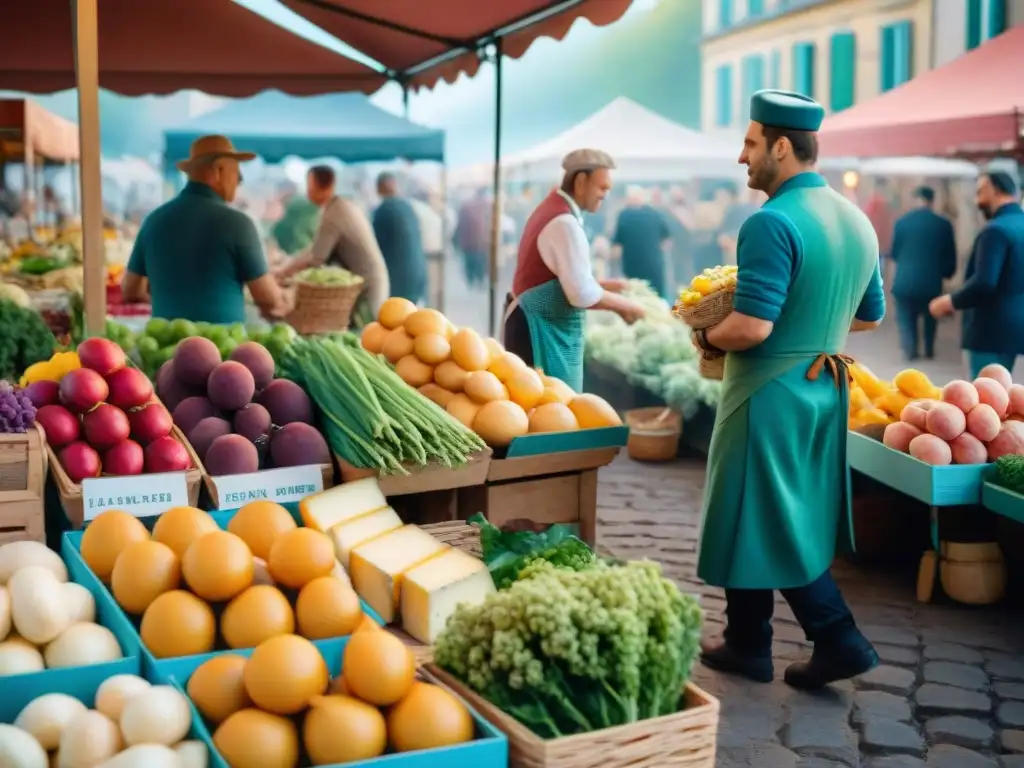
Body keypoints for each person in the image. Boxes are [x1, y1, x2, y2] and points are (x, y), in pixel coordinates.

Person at [693, 90, 885, 690]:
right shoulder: (855, 219)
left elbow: (750, 326)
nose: (741, 156)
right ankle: (748, 640)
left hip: (767, 391)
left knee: (769, 514)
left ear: (781, 146)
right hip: (824, 388)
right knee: (768, 511)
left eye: (750, 143)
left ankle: (838, 637)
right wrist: (813, 325)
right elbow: (870, 315)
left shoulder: (770, 222)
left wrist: (706, 331)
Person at [502, 149, 646, 392]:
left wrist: (609, 285)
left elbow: (563, 276)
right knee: (549, 414)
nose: (605, 195)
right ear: (581, 182)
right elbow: (580, 293)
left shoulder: (553, 210)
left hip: (530, 323)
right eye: (602, 187)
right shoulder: (564, 222)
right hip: (538, 332)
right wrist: (627, 306)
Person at [122, 135, 288, 323]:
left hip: (165, 346)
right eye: (236, 172)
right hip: (223, 348)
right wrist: (286, 298)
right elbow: (267, 298)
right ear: (218, 170)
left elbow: (130, 291)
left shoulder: (153, 221)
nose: (240, 180)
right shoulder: (238, 224)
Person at [929, 171, 1024, 377]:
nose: (977, 200)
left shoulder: (995, 230)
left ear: (994, 190)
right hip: (1018, 333)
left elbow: (985, 283)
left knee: (985, 401)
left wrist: (950, 302)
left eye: (980, 192)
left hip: (991, 333)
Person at [274, 165, 390, 316]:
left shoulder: (336, 213)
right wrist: (287, 266)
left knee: (366, 334)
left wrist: (283, 273)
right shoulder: (338, 206)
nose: (308, 193)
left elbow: (315, 259)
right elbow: (313, 248)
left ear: (325, 186)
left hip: (369, 287)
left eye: (310, 186)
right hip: (367, 284)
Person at [890, 186, 957, 361]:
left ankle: (910, 349)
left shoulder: (902, 222)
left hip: (904, 281)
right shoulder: (943, 224)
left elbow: (895, 252)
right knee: (930, 317)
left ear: (915, 199)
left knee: (906, 318)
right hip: (931, 281)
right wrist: (948, 273)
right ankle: (928, 349)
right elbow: (950, 254)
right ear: (932, 200)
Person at [372, 173, 427, 304]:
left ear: (380, 187)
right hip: (418, 273)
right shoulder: (407, 207)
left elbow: (374, 247)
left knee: (397, 317)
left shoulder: (384, 210)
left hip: (398, 277)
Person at [612, 186, 671, 298]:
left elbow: (617, 247)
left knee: (636, 298)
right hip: (654, 266)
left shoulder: (624, 215)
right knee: (657, 300)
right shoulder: (655, 214)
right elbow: (667, 241)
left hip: (632, 268)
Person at [454, 189, 491, 289]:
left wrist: (456, 239)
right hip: (482, 242)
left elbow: (460, 224)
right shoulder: (487, 206)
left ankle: (471, 280)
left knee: (470, 261)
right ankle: (479, 280)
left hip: (468, 241)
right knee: (480, 261)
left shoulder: (466, 206)